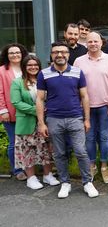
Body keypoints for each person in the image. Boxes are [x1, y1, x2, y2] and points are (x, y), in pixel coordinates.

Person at [36, 42, 98, 199]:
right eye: (56, 52)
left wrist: (87, 119)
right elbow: (40, 99)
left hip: (75, 118)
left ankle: (87, 182)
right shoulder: (44, 74)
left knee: (80, 151)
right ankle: (65, 183)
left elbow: (84, 96)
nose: (60, 55)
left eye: (63, 52)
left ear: (68, 55)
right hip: (54, 119)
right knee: (59, 153)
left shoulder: (77, 72)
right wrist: (42, 123)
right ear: (51, 55)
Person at [74, 32, 108, 184]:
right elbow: (74, 84)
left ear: (101, 42)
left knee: (104, 136)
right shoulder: (79, 61)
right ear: (86, 43)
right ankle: (92, 165)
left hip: (105, 105)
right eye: (90, 41)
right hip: (85, 106)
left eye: (96, 41)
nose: (93, 44)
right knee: (89, 137)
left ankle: (104, 166)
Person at [10, 55, 60, 189]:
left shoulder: (44, 80)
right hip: (26, 122)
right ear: (24, 67)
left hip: (46, 121)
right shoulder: (17, 82)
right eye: (29, 65)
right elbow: (16, 102)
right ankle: (31, 178)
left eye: (35, 65)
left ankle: (47, 175)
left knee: (46, 149)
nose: (33, 67)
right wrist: (37, 110)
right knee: (28, 150)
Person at [0, 43, 28, 180]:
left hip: (28, 112)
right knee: (14, 142)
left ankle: (29, 166)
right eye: (11, 53)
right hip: (10, 112)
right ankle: (17, 170)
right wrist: (2, 110)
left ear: (22, 54)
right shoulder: (1, 71)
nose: (15, 55)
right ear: (7, 55)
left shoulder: (27, 68)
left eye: (17, 52)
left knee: (27, 141)